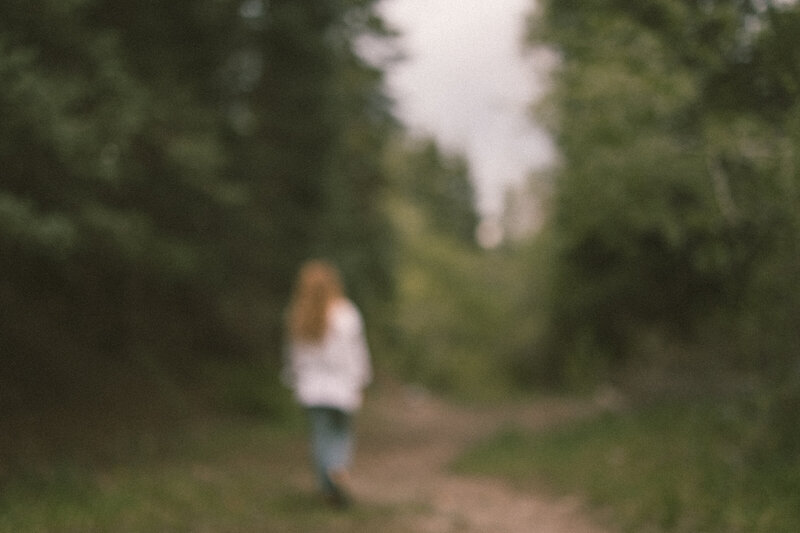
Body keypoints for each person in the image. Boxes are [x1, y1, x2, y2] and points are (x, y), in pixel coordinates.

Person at [282, 259, 372, 507]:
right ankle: (338, 471)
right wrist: (361, 380)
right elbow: (357, 352)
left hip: (312, 389)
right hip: (342, 387)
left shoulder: (298, 313)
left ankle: (327, 487)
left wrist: (293, 380)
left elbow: (294, 357)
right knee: (342, 434)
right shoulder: (347, 313)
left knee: (320, 438)